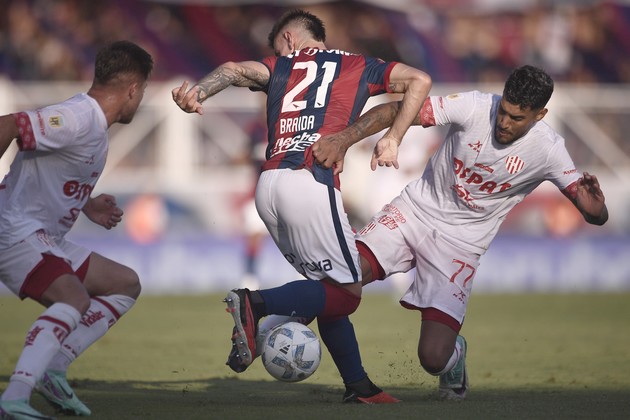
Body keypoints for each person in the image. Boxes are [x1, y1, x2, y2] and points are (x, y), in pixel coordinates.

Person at [172, 9, 432, 403]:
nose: (280, 53)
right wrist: (393, 138)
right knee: (347, 293)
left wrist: (198, 93)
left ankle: (358, 386)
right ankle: (255, 303)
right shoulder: (359, 65)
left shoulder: (279, 66)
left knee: (327, 290)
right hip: (310, 181)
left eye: (278, 47)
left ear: (289, 39)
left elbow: (232, 70)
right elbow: (420, 80)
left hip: (268, 184)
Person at [310, 64, 608, 400]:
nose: (504, 122)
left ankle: (455, 355)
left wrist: (595, 209)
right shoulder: (475, 106)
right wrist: (344, 140)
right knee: (342, 276)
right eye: (503, 111)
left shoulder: (549, 149)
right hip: (414, 212)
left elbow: (593, 212)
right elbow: (397, 110)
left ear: (540, 115)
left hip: (461, 245)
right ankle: (281, 322)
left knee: (433, 358)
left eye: (516, 118)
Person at [0, 40, 153, 419]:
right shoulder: (79, 117)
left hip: (43, 236)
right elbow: (9, 125)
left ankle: (53, 369)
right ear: (133, 89)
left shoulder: (94, 125)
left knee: (124, 283)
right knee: (72, 298)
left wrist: (88, 203)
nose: (141, 100)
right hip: (14, 230)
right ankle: (14, 399)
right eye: (143, 92)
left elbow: (51, 170)